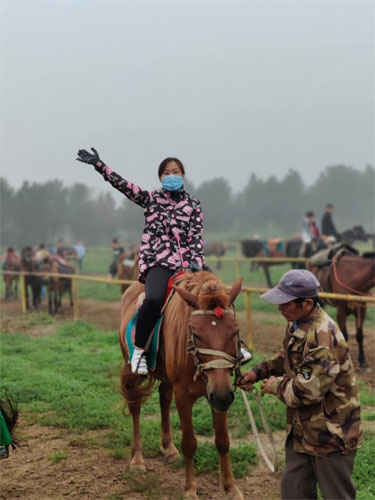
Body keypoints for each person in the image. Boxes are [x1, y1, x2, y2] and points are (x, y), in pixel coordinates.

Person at [77, 147, 250, 375]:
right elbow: (123, 185)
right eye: (167, 172)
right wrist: (100, 165)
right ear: (160, 177)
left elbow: (196, 237)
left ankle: (237, 345)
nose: (172, 175)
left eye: (176, 171)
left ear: (183, 175)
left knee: (222, 295)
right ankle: (139, 351)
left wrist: (197, 266)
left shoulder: (193, 205)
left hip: (191, 264)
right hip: (159, 264)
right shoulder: (150, 199)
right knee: (154, 299)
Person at [238, 269, 362, 500]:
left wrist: (274, 386)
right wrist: (259, 372)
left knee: (337, 495)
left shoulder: (324, 336)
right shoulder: (298, 323)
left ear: (306, 303)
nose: (280, 308)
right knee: (294, 492)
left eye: (285, 303)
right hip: (303, 433)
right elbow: (289, 358)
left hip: (331, 436)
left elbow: (306, 391)